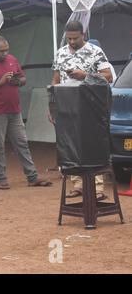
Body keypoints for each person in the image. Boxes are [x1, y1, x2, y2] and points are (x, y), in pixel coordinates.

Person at [0, 35, 51, 189]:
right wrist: (0, 82)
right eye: (1, 51)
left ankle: (32, 176)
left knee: (22, 143)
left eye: (6, 50)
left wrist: (17, 81)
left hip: (14, 110)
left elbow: (23, 78)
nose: (5, 53)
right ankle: (1, 178)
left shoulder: (12, 59)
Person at [51, 21, 112, 201]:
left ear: (83, 34)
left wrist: (85, 75)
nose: (71, 41)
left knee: (93, 145)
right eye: (69, 38)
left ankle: (97, 187)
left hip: (90, 107)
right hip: (67, 107)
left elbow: (108, 76)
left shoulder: (95, 51)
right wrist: (52, 105)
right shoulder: (60, 53)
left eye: (75, 38)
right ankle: (77, 184)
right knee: (70, 146)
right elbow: (55, 80)